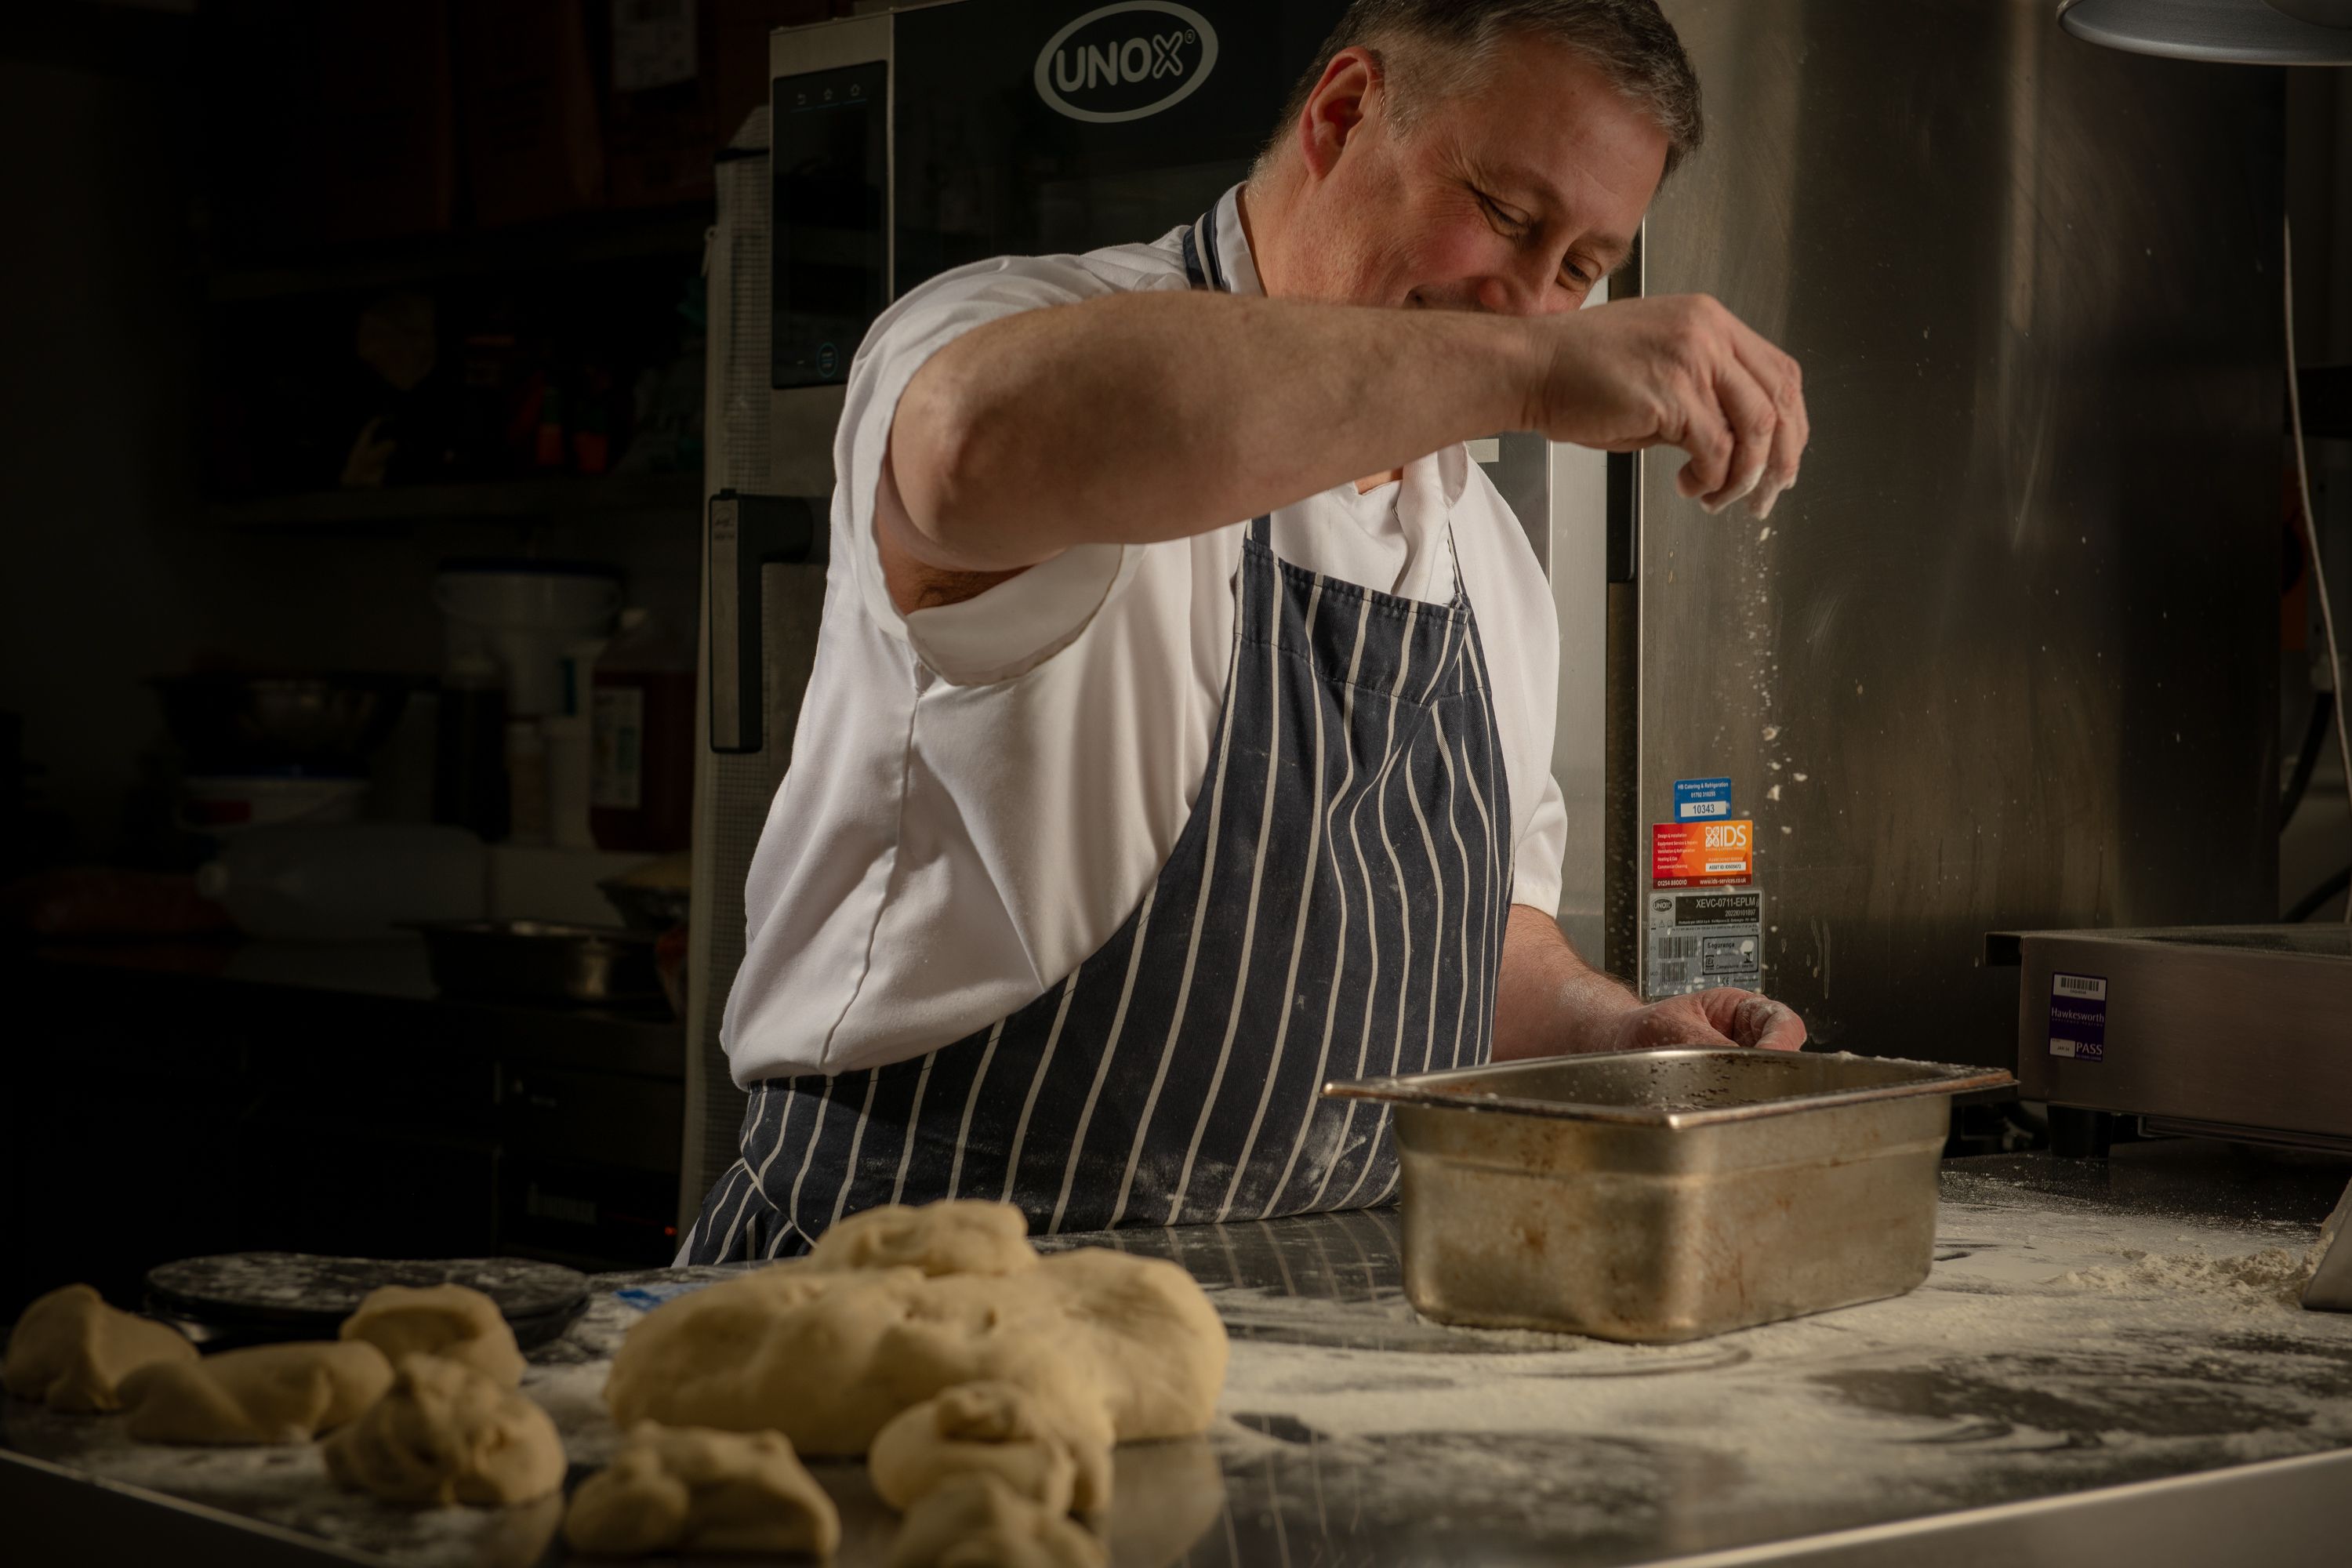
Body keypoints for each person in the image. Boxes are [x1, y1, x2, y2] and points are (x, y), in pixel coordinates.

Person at [683, 0, 1811, 1263]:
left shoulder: (1488, 554)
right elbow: (964, 449)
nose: (1534, 308)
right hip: (913, 1293)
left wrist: (1616, 1037)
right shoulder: (1013, 332)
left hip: (1310, 1328)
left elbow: (1458, 937)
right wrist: (1535, 374)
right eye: (1506, 216)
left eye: (1580, 273)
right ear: (1342, 115)